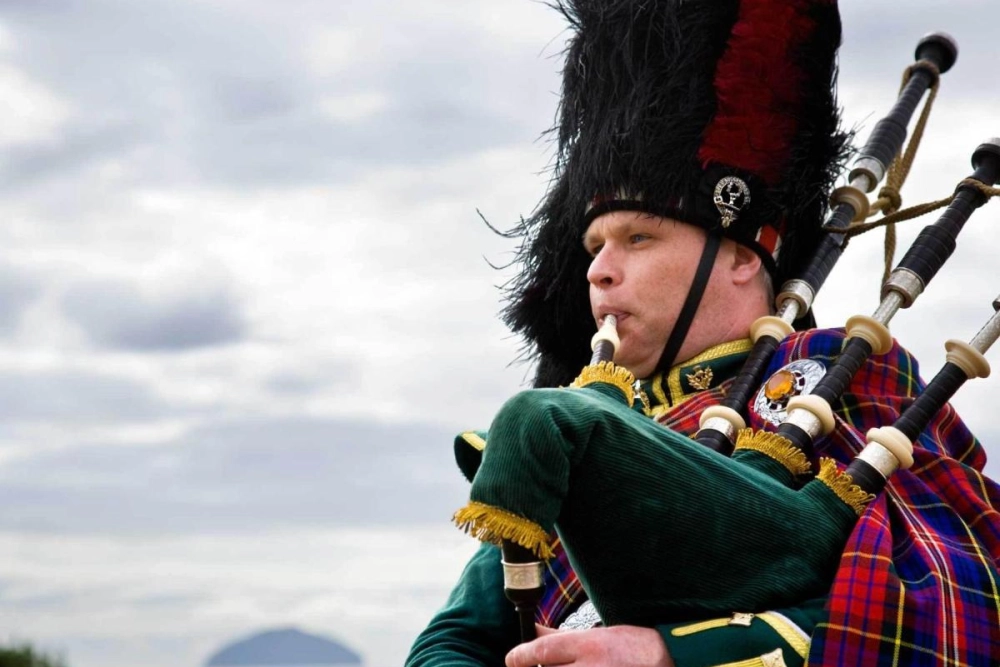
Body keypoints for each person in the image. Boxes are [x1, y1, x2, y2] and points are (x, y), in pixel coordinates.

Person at [406, 0, 1000, 665]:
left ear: (742, 257)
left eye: (638, 237)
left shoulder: (842, 375)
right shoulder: (569, 430)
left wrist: (667, 652)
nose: (599, 270)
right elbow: (451, 640)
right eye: (595, 246)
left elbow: (940, 600)